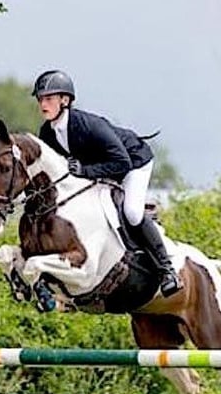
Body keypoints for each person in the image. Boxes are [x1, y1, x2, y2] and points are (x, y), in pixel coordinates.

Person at [31, 69, 183, 297]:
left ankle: (167, 270)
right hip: (99, 169)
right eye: (40, 99)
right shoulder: (47, 133)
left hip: (132, 162)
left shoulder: (89, 125)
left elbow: (121, 162)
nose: (43, 104)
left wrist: (84, 170)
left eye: (49, 98)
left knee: (131, 212)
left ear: (65, 100)